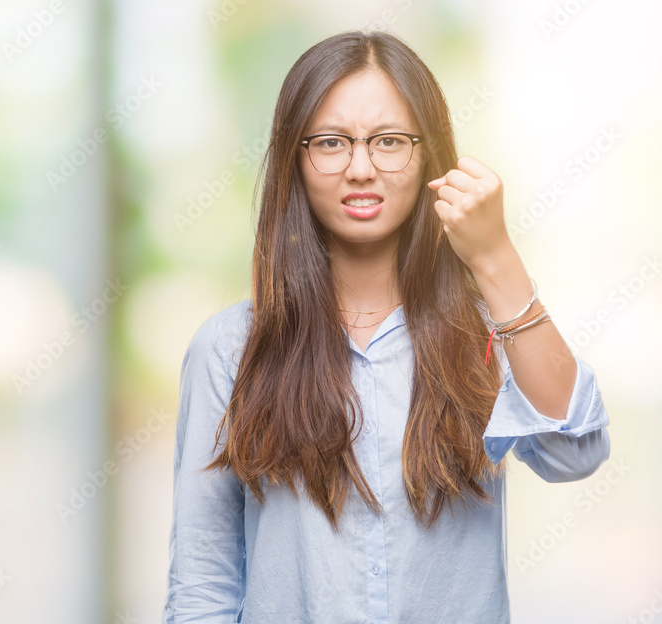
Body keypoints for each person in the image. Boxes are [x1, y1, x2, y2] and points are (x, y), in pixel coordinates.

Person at [162, 30, 610, 624]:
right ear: (295, 159)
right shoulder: (228, 348)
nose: (361, 168)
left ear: (431, 156)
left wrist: (496, 257)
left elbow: (575, 452)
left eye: (390, 141)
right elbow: (203, 587)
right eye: (330, 142)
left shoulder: (488, 333)